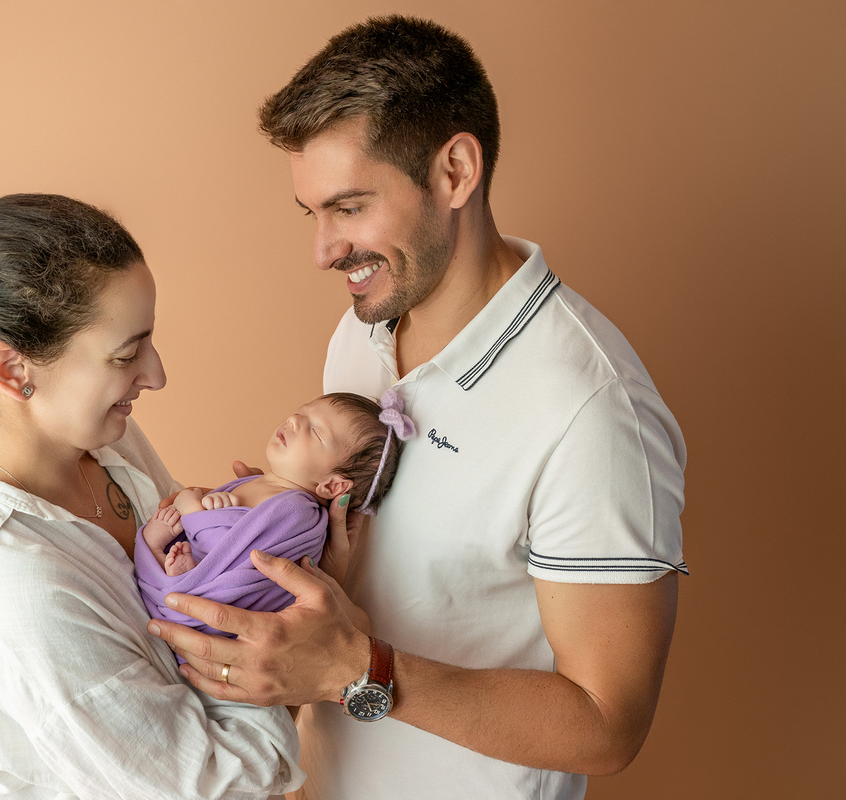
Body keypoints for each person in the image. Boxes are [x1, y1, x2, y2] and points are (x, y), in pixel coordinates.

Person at [146, 16, 687, 799]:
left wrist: (352, 668)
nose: (323, 250)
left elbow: (607, 725)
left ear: (456, 171)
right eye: (314, 214)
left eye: (350, 207)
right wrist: (268, 523)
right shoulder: (360, 334)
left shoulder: (594, 413)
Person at [0, 194, 302, 799]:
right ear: (15, 373)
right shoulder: (14, 584)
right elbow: (214, 786)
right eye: (126, 354)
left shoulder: (105, 444)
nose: (156, 374)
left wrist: (262, 518)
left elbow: (203, 589)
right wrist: (299, 653)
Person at [136, 392, 413, 638]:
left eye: (315, 431)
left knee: (155, 536)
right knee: (155, 534)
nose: (294, 419)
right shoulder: (266, 486)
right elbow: (234, 541)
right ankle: (177, 570)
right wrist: (215, 507)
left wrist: (193, 508)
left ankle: (182, 575)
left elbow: (239, 561)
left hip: (212, 610)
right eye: (302, 411)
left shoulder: (299, 511)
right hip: (198, 578)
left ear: (332, 486)